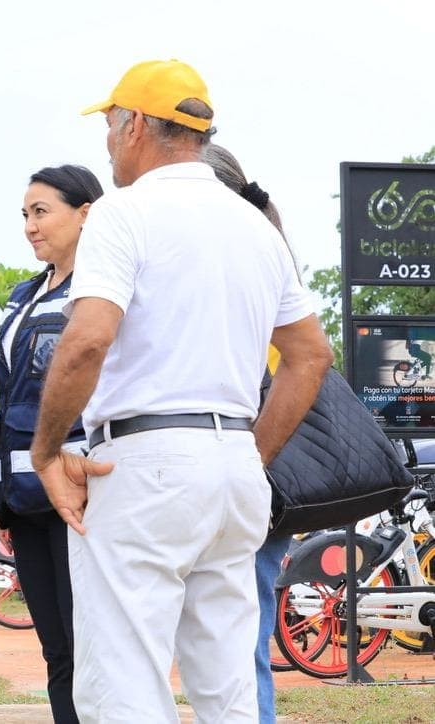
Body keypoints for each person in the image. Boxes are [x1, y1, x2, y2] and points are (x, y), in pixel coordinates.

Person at [29, 60, 333, 722]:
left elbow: (87, 340)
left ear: (136, 125)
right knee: (229, 687)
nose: (108, 141)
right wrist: (252, 455)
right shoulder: (254, 225)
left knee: (125, 684)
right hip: (233, 464)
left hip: (145, 463)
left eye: (110, 125)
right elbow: (310, 354)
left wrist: (46, 450)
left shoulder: (124, 213)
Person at [0, 164, 102, 724]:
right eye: (25, 215)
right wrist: (4, 503)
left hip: (81, 488)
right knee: (56, 648)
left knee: (91, 646)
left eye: (41, 212)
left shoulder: (104, 290)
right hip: (24, 493)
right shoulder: (25, 295)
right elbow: (11, 401)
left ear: (85, 213)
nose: (30, 226)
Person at [202, 142, 296, 724]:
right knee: (244, 634)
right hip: (262, 480)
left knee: (234, 639)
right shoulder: (269, 256)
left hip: (242, 468)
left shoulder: (230, 271)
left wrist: (251, 458)